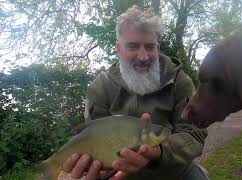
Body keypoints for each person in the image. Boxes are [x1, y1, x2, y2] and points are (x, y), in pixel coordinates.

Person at [62, 5, 209, 180]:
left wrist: (160, 152)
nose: (143, 56)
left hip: (172, 172)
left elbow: (195, 134)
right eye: (132, 46)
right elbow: (93, 136)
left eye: (149, 47)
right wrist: (96, 169)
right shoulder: (100, 87)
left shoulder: (179, 81)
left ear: (157, 47)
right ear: (119, 49)